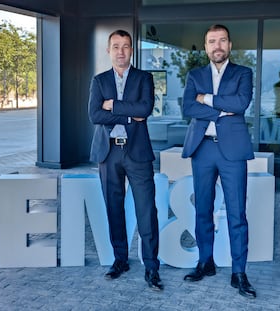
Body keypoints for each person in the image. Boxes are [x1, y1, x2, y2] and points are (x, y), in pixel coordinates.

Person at [181, 24, 256, 299]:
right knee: (202, 209)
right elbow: (188, 107)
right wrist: (222, 110)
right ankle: (205, 262)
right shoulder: (195, 75)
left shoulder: (243, 73)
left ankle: (239, 273)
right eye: (212, 41)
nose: (217, 46)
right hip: (202, 149)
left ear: (230, 45)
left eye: (222, 40)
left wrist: (208, 100)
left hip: (232, 151)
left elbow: (241, 103)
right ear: (206, 47)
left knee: (237, 213)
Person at [88, 29, 163, 291]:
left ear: (132, 50)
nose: (121, 51)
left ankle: (152, 267)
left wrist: (114, 106)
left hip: (138, 153)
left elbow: (145, 109)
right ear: (108, 51)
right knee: (114, 208)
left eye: (126, 46)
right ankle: (120, 260)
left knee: (146, 210)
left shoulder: (144, 78)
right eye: (116, 46)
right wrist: (129, 116)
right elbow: (95, 115)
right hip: (108, 153)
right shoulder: (99, 81)